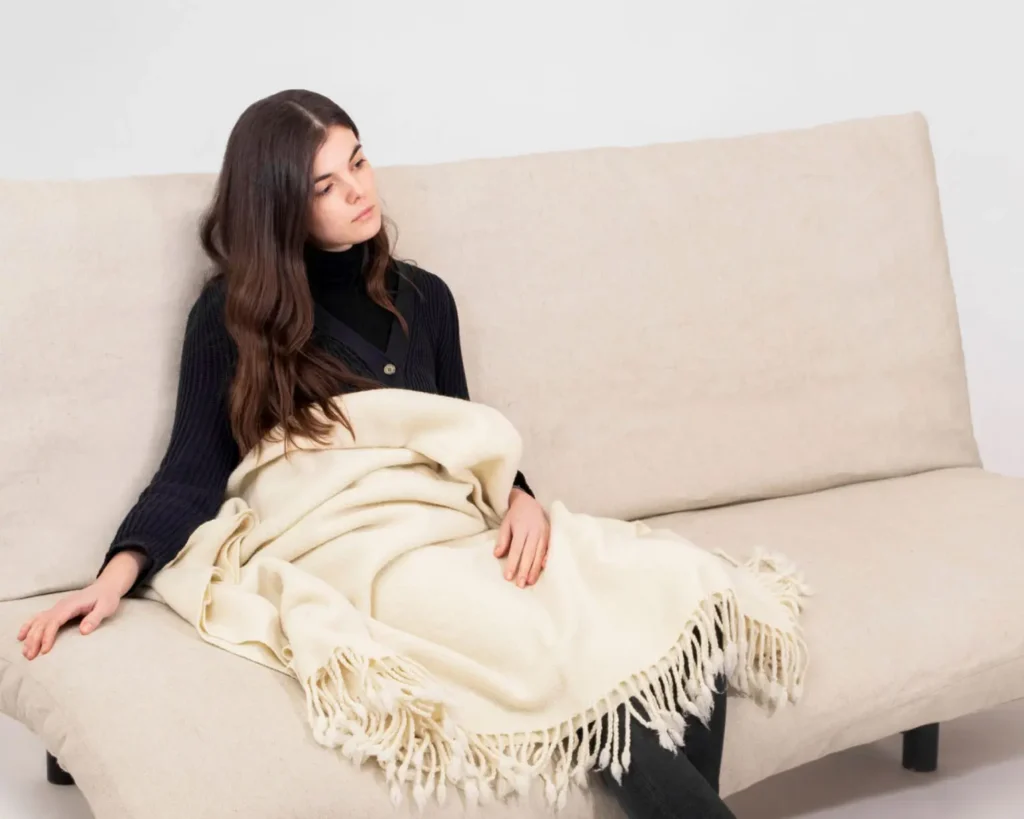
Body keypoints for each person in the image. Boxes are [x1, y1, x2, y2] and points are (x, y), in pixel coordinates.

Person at [16, 89, 735, 819]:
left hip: (453, 527)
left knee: (680, 603)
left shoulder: (426, 298)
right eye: (324, 185)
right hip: (355, 554)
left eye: (357, 159)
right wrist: (115, 575)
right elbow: (191, 470)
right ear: (281, 207)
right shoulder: (234, 316)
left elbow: (458, 430)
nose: (357, 189)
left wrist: (518, 494)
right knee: (561, 664)